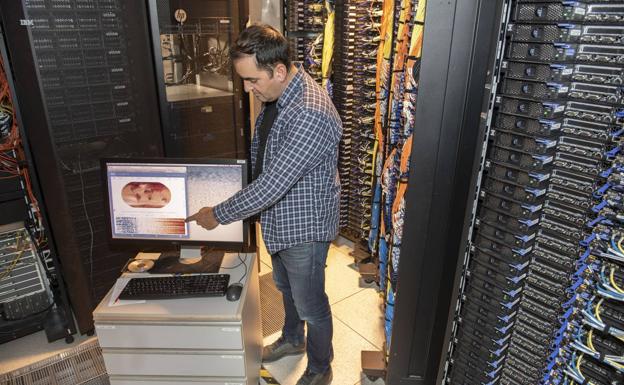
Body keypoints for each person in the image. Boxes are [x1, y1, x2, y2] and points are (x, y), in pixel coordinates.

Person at [185, 24, 342, 385]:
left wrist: (218, 214)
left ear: (280, 70)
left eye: (252, 80)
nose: (248, 89)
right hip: (281, 219)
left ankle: (321, 368)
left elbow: (272, 183)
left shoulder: (310, 112)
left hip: (305, 226)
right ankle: (292, 339)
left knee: (311, 305)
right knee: (286, 289)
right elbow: (265, 162)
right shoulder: (278, 96)